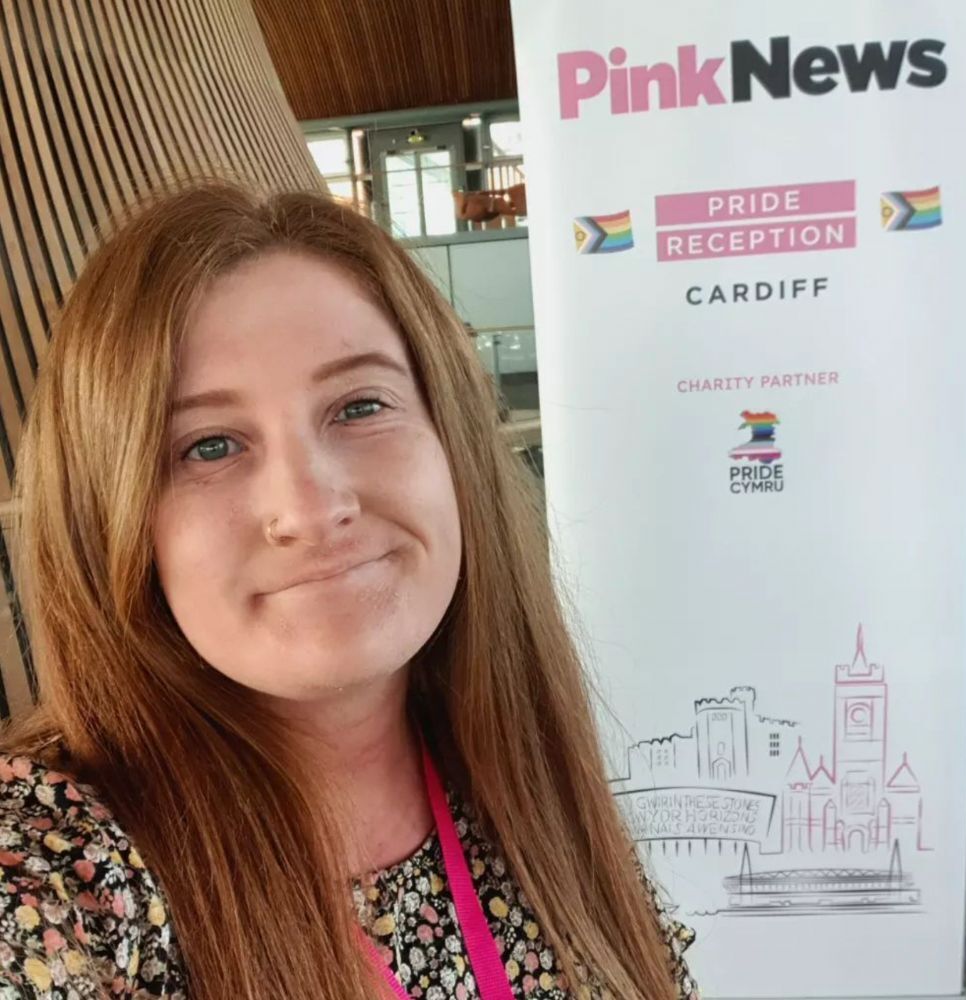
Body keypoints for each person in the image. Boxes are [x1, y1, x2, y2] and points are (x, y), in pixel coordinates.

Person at [0, 181, 698, 1000]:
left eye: (360, 405)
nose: (311, 508)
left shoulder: (527, 779)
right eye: (210, 445)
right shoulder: (54, 879)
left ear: (454, 444)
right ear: (107, 519)